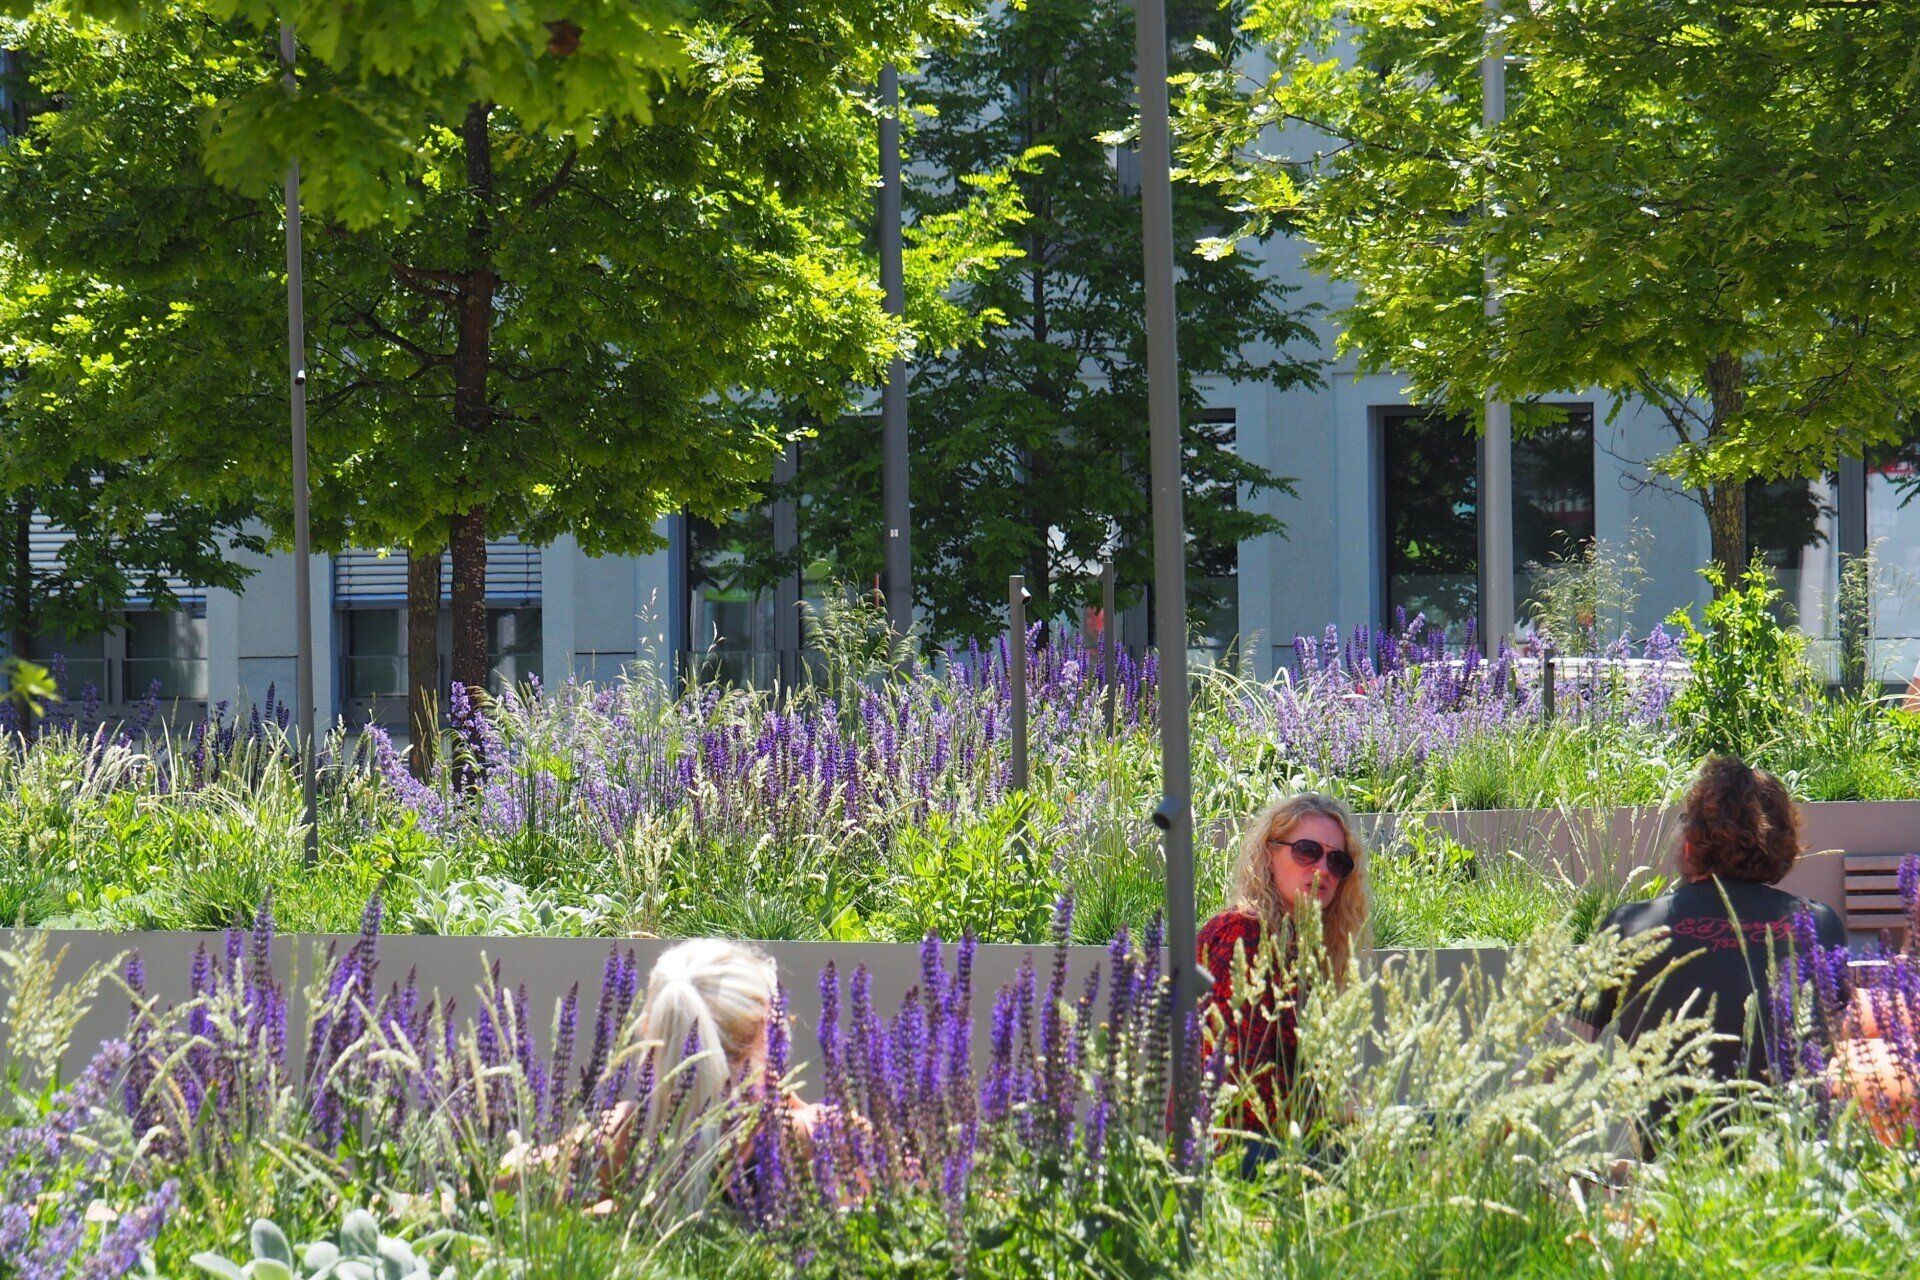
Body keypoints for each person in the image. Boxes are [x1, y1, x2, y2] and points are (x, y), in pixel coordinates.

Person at [1577, 756, 1847, 1132]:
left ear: (1690, 844)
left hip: (1668, 1172)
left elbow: (1563, 1057)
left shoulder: (1628, 926)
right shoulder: (1818, 925)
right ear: (1782, 844)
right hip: (1793, 1169)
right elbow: (1837, 1049)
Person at [503, 938, 840, 1212]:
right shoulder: (821, 1136)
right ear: (770, 1028)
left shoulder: (631, 1136)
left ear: (653, 1037)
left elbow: (500, 1187)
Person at [1198, 792, 1370, 1151]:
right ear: (1269, 854)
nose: (1322, 869)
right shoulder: (1238, 933)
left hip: (1287, 1151)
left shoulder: (1303, 953)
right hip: (1236, 1160)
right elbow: (1242, 1090)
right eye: (1306, 851)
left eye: (1337, 861)